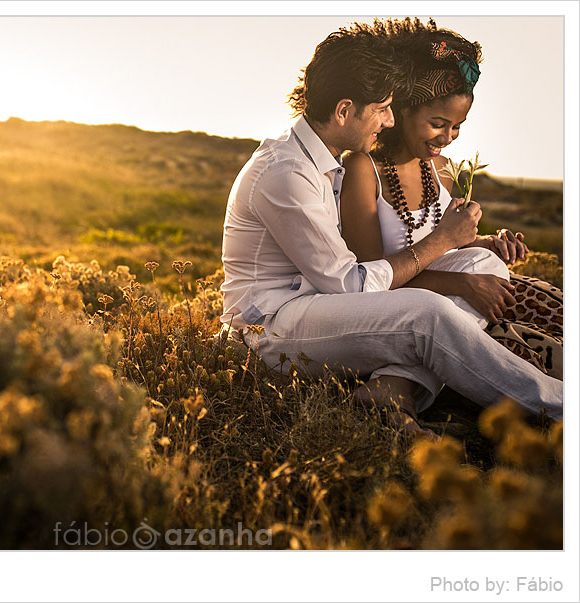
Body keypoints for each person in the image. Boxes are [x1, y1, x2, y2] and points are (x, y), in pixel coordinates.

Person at [219, 21, 562, 437]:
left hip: (316, 307)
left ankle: (393, 388)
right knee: (427, 314)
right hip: (267, 329)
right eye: (381, 108)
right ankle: (557, 407)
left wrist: (467, 243)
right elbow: (350, 283)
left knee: (477, 262)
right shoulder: (286, 172)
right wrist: (440, 241)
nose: (387, 119)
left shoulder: (319, 162)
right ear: (344, 110)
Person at [339, 18, 563, 380]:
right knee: (533, 355)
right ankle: (406, 378)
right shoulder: (364, 169)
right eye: (438, 123)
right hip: (404, 308)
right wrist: (464, 284)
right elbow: (370, 280)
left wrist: (487, 242)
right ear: (403, 110)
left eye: (457, 126)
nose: (448, 137)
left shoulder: (440, 168)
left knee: (555, 309)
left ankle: (412, 375)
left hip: (452, 295)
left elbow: (444, 247)